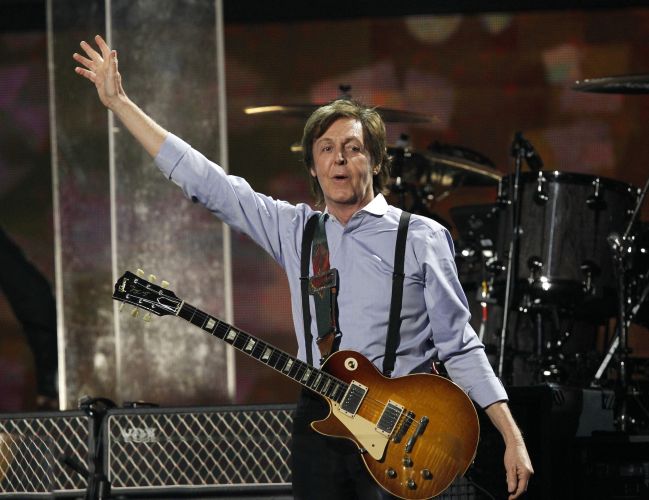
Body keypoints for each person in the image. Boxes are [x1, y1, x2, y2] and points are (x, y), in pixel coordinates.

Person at [73, 35, 533, 499]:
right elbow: (208, 183)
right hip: (320, 423)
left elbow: (459, 344)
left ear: (376, 160)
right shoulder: (297, 230)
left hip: (401, 436)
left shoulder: (421, 236)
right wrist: (120, 104)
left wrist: (511, 436)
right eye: (326, 149)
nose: (339, 159)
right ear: (312, 166)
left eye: (352, 148)